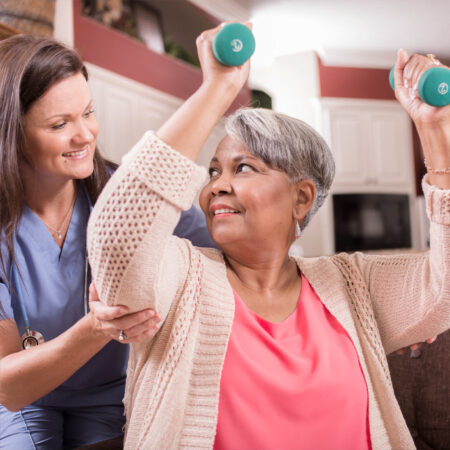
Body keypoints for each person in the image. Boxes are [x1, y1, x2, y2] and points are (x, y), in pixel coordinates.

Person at [87, 24, 450, 450]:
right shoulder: (180, 277)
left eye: (243, 168)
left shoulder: (352, 284)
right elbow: (117, 239)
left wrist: (434, 128)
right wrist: (218, 89)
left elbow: (443, 292)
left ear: (301, 198)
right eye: (213, 172)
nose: (217, 186)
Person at [0, 34, 215, 449]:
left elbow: (219, 246)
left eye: (88, 113)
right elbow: (8, 386)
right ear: (12, 133)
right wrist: (98, 327)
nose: (85, 135)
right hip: (28, 399)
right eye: (60, 124)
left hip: (112, 394)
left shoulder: (124, 195)